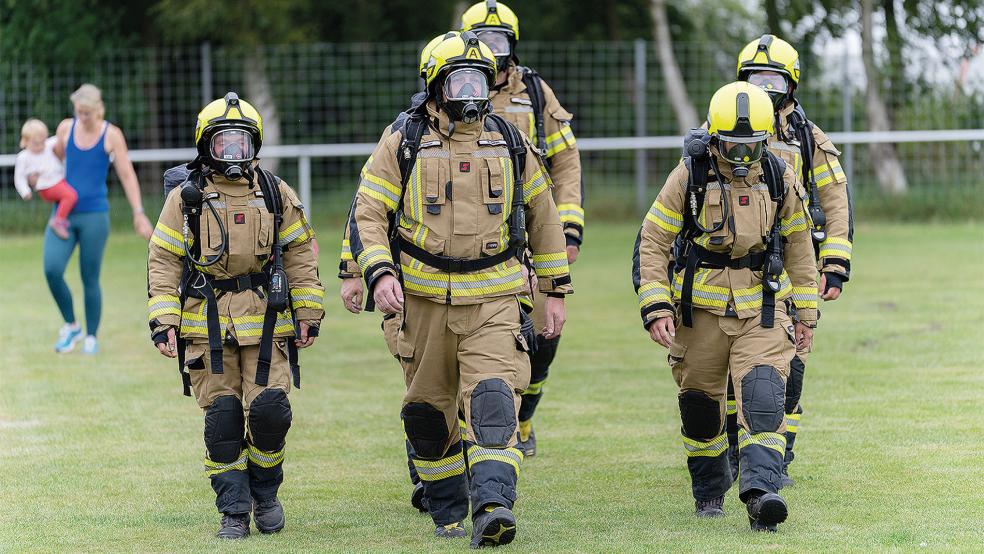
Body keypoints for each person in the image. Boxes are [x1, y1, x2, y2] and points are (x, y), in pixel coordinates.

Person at [350, 32, 572, 547]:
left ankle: (493, 506)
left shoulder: (511, 142)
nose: (473, 89)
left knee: (495, 401)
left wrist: (554, 289)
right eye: (460, 79)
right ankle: (448, 508)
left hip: (495, 298)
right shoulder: (403, 141)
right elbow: (368, 211)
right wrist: (380, 272)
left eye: (479, 77)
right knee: (429, 413)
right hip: (422, 303)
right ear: (435, 86)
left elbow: (544, 217)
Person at [633, 82, 817, 532]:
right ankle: (709, 492)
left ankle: (760, 494)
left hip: (763, 308)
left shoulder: (779, 176)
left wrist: (807, 315)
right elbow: (653, 241)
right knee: (700, 408)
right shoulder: (688, 175)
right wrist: (657, 305)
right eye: (732, 145)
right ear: (714, 137)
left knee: (763, 397)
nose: (740, 156)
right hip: (698, 315)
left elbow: (799, 247)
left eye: (751, 145)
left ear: (765, 139)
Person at [147, 92, 323, 539]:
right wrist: (163, 320)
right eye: (223, 143)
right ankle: (232, 510)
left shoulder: (274, 192)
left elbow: (301, 253)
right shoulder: (185, 199)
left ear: (254, 146)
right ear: (205, 146)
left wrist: (308, 310)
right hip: (206, 325)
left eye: (240, 144)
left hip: (266, 322)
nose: (232, 153)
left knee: (270, 411)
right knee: (223, 419)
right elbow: (164, 260)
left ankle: (265, 494)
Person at [338, 30, 461, 516]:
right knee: (422, 383)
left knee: (473, 390)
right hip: (406, 290)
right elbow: (364, 212)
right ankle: (426, 476)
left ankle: (463, 475)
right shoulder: (403, 141)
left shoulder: (497, 140)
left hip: (477, 290)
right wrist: (355, 272)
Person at [462, 0, 584, 457]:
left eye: (501, 41)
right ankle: (481, 428)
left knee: (544, 333)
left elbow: (566, 161)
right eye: (483, 40)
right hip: (471, 238)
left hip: (530, 236)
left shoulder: (533, 91)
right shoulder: (448, 87)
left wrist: (567, 226)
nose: (492, 51)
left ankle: (525, 415)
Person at [733, 34, 854, 488]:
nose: (763, 88)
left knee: (793, 367)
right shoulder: (722, 130)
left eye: (773, 80)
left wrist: (835, 264)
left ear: (791, 85)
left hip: (793, 270)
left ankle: (778, 456)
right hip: (731, 272)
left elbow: (836, 201)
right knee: (733, 372)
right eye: (755, 79)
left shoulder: (807, 137)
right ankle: (735, 450)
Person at [47, 83, 153, 354]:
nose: (82, 117)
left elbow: (127, 174)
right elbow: (54, 160)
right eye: (79, 112)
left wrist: (138, 212)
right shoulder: (65, 128)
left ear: (98, 109)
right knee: (52, 268)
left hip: (95, 215)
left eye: (87, 113)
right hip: (64, 215)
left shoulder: (111, 134)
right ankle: (72, 326)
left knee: (89, 277)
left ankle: (92, 336)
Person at [14, 119, 79, 239]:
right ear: (25, 141)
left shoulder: (48, 145)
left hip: (58, 181)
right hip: (46, 186)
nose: (40, 146)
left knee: (71, 193)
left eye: (42, 142)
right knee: (71, 196)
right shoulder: (23, 157)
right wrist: (25, 191)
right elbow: (19, 177)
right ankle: (58, 220)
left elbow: (62, 137)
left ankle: (64, 218)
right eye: (36, 144)